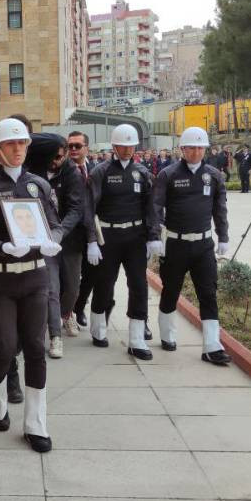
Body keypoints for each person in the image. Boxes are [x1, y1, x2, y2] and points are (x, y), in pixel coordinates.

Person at [0, 118, 63, 453]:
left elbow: (55, 224)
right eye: (11, 144)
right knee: (4, 347)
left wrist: (54, 241)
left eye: (22, 143)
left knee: (36, 347)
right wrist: (2, 247)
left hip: (35, 274)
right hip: (1, 277)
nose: (18, 149)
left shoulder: (39, 184)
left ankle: (36, 425)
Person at [149, 127, 231, 366]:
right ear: (182, 149)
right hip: (176, 244)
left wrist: (223, 236)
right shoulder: (168, 174)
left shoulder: (214, 175)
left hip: (204, 245)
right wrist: (154, 236)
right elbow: (155, 207)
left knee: (208, 293)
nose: (195, 152)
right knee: (171, 291)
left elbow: (220, 209)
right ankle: (167, 335)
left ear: (205, 149)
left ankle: (212, 346)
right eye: (191, 148)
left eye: (200, 148)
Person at [85, 124, 154, 360]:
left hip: (135, 237)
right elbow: (88, 208)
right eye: (122, 146)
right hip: (108, 236)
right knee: (105, 283)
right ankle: (98, 328)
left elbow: (151, 207)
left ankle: (136, 339)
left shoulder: (142, 172)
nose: (127, 150)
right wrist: (91, 241)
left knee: (139, 285)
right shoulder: (100, 172)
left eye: (131, 145)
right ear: (114, 146)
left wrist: (152, 237)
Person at [26, 133, 80, 360]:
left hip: (67, 239)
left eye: (63, 155)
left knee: (73, 287)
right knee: (52, 288)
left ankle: (68, 314)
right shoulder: (33, 173)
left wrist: (59, 233)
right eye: (55, 156)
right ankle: (55, 336)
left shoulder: (72, 173)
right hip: (43, 240)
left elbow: (76, 208)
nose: (59, 159)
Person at [61, 131, 91, 339]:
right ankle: (65, 314)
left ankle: (77, 310)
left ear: (86, 148)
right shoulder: (60, 170)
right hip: (67, 235)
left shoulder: (96, 170)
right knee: (69, 283)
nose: (73, 150)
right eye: (69, 146)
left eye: (77, 146)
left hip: (92, 235)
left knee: (88, 280)